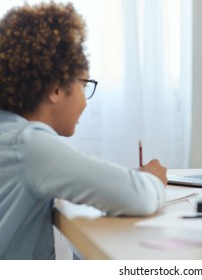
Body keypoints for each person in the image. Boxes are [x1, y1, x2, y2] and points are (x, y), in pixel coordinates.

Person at [0, 2, 167, 260]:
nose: (86, 100)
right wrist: (154, 180)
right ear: (56, 88)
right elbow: (139, 197)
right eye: (84, 83)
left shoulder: (9, 134)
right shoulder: (28, 145)